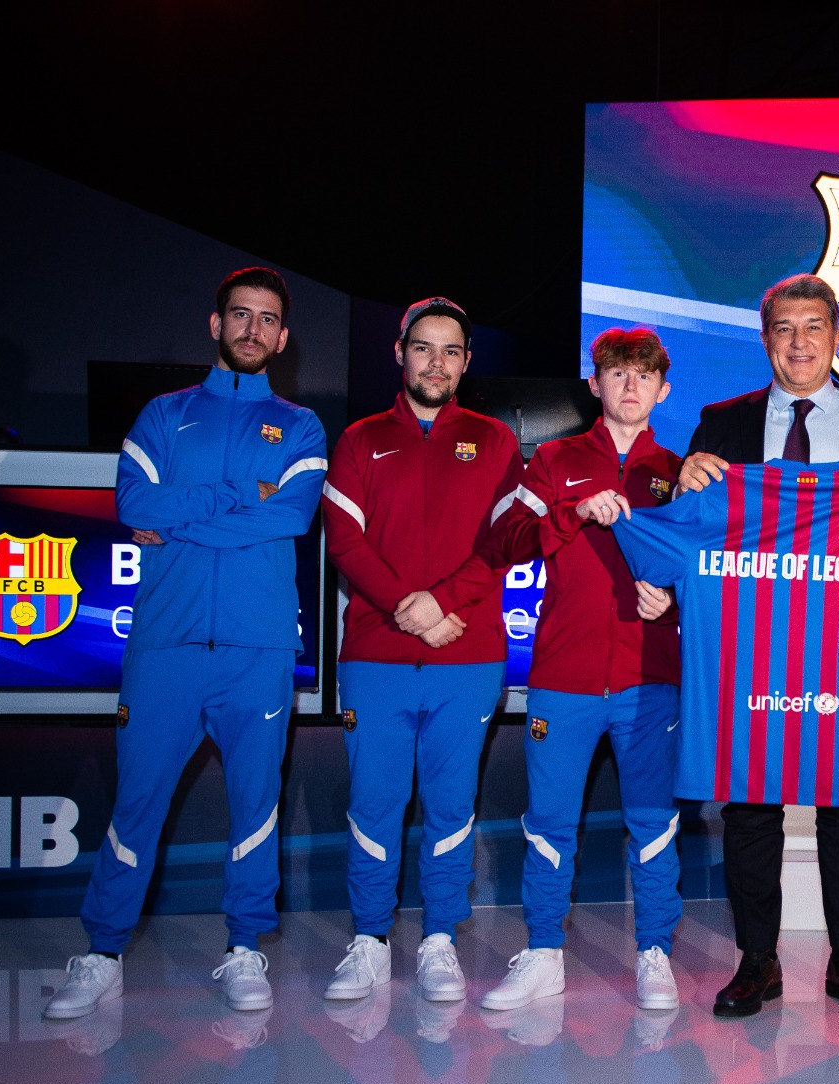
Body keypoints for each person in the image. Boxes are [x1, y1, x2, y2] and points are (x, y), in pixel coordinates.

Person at [45, 267, 326, 1018]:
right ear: (216, 324)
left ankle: (245, 948)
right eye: (240, 315)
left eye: (267, 319)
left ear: (283, 338)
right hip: (164, 646)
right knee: (136, 802)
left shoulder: (301, 426)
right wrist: (236, 496)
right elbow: (133, 502)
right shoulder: (164, 415)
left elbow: (291, 516)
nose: (252, 329)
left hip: (258, 650)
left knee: (255, 804)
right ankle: (103, 953)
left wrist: (179, 520)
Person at [676, 273, 839, 1017]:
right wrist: (681, 484)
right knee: (751, 802)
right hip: (753, 644)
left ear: (837, 336)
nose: (799, 343)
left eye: (813, 326)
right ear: (765, 340)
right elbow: (693, 532)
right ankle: (757, 960)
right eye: (784, 329)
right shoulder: (720, 422)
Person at [476, 327, 688, 1013]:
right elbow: (505, 540)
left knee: (653, 821)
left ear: (663, 389)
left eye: (644, 375)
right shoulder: (553, 461)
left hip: (649, 678)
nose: (630, 385)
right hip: (563, 677)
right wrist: (571, 512)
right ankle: (544, 954)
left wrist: (675, 600)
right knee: (548, 821)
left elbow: (714, 571)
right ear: (594, 384)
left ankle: (654, 952)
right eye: (617, 373)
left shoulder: (680, 473)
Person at [318, 298, 518, 1003]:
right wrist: (413, 609)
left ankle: (439, 940)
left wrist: (443, 603)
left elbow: (505, 541)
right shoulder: (359, 439)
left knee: (451, 805)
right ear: (400, 352)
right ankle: (370, 939)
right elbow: (345, 542)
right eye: (424, 348)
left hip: (468, 657)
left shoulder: (495, 440)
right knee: (374, 803)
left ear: (466, 361)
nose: (437, 362)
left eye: (451, 351)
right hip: (376, 657)